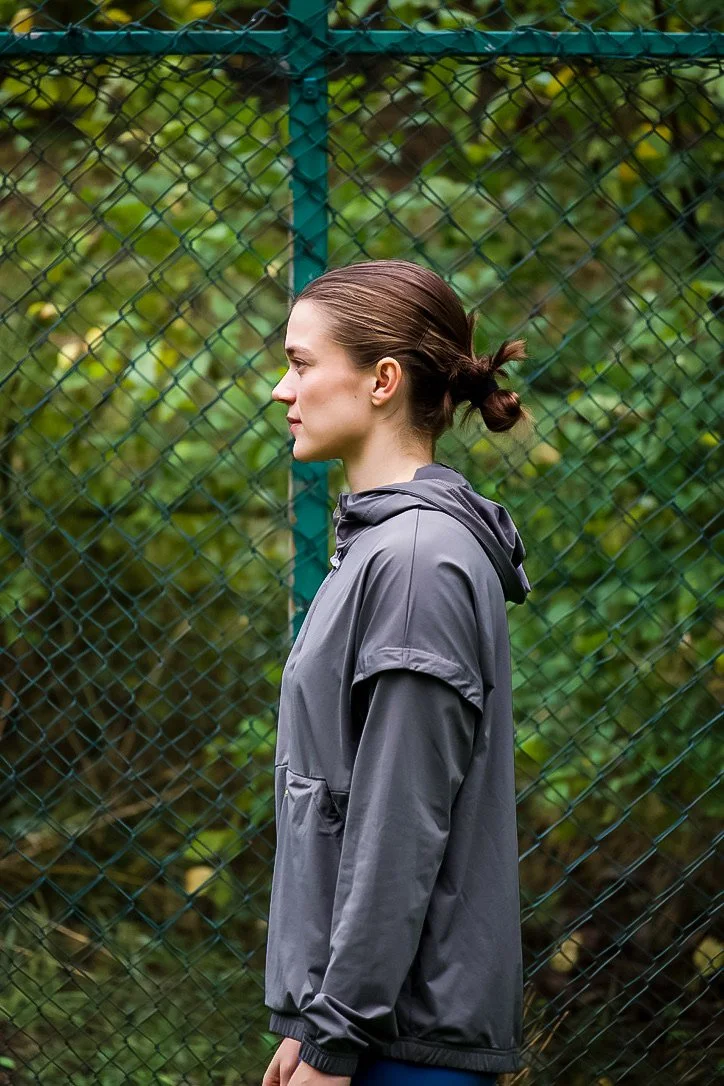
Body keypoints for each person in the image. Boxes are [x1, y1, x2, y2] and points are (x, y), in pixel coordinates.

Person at [262, 259, 533, 1086]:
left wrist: (335, 1036)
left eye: (302, 363)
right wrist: (312, 1021)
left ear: (382, 380)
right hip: (366, 1030)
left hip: (398, 1047)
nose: (281, 389)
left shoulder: (417, 560)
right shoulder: (387, 547)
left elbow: (400, 824)